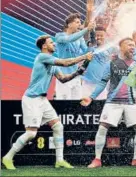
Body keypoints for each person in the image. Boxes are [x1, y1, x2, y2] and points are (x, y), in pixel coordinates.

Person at [2, 36, 93, 170]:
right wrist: (84, 57)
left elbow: (63, 79)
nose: (54, 44)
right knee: (31, 133)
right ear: (44, 46)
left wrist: (81, 69)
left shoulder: (51, 63)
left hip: (43, 100)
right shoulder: (42, 57)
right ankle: (7, 157)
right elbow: (65, 63)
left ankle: (60, 160)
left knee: (58, 126)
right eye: (51, 42)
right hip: (32, 99)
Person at [82, 38, 136, 168]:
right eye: (129, 45)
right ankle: (97, 160)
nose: (132, 47)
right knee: (103, 127)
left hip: (131, 102)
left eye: (133, 45)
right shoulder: (111, 63)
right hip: (113, 102)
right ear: (121, 47)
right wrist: (91, 97)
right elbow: (103, 82)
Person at [55, 1, 95, 99]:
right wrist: (86, 29)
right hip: (64, 76)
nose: (79, 24)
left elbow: (86, 52)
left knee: (76, 105)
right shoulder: (59, 36)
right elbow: (70, 39)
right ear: (69, 25)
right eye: (77, 22)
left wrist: (92, 36)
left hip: (76, 76)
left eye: (80, 22)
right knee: (63, 106)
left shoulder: (80, 39)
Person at [81, 27, 116, 99]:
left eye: (101, 35)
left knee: (100, 106)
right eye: (97, 35)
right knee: (84, 106)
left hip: (101, 84)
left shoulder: (111, 48)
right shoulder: (90, 46)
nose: (99, 37)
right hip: (87, 83)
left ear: (106, 35)